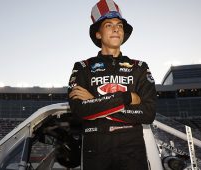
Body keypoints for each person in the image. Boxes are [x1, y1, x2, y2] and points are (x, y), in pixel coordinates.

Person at [67, 0, 157, 169]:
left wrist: (95, 102)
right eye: (109, 25)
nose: (116, 29)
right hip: (96, 148)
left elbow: (148, 113)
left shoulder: (140, 67)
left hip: (133, 148)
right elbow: (80, 110)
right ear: (98, 34)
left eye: (120, 25)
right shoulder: (82, 67)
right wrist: (127, 97)